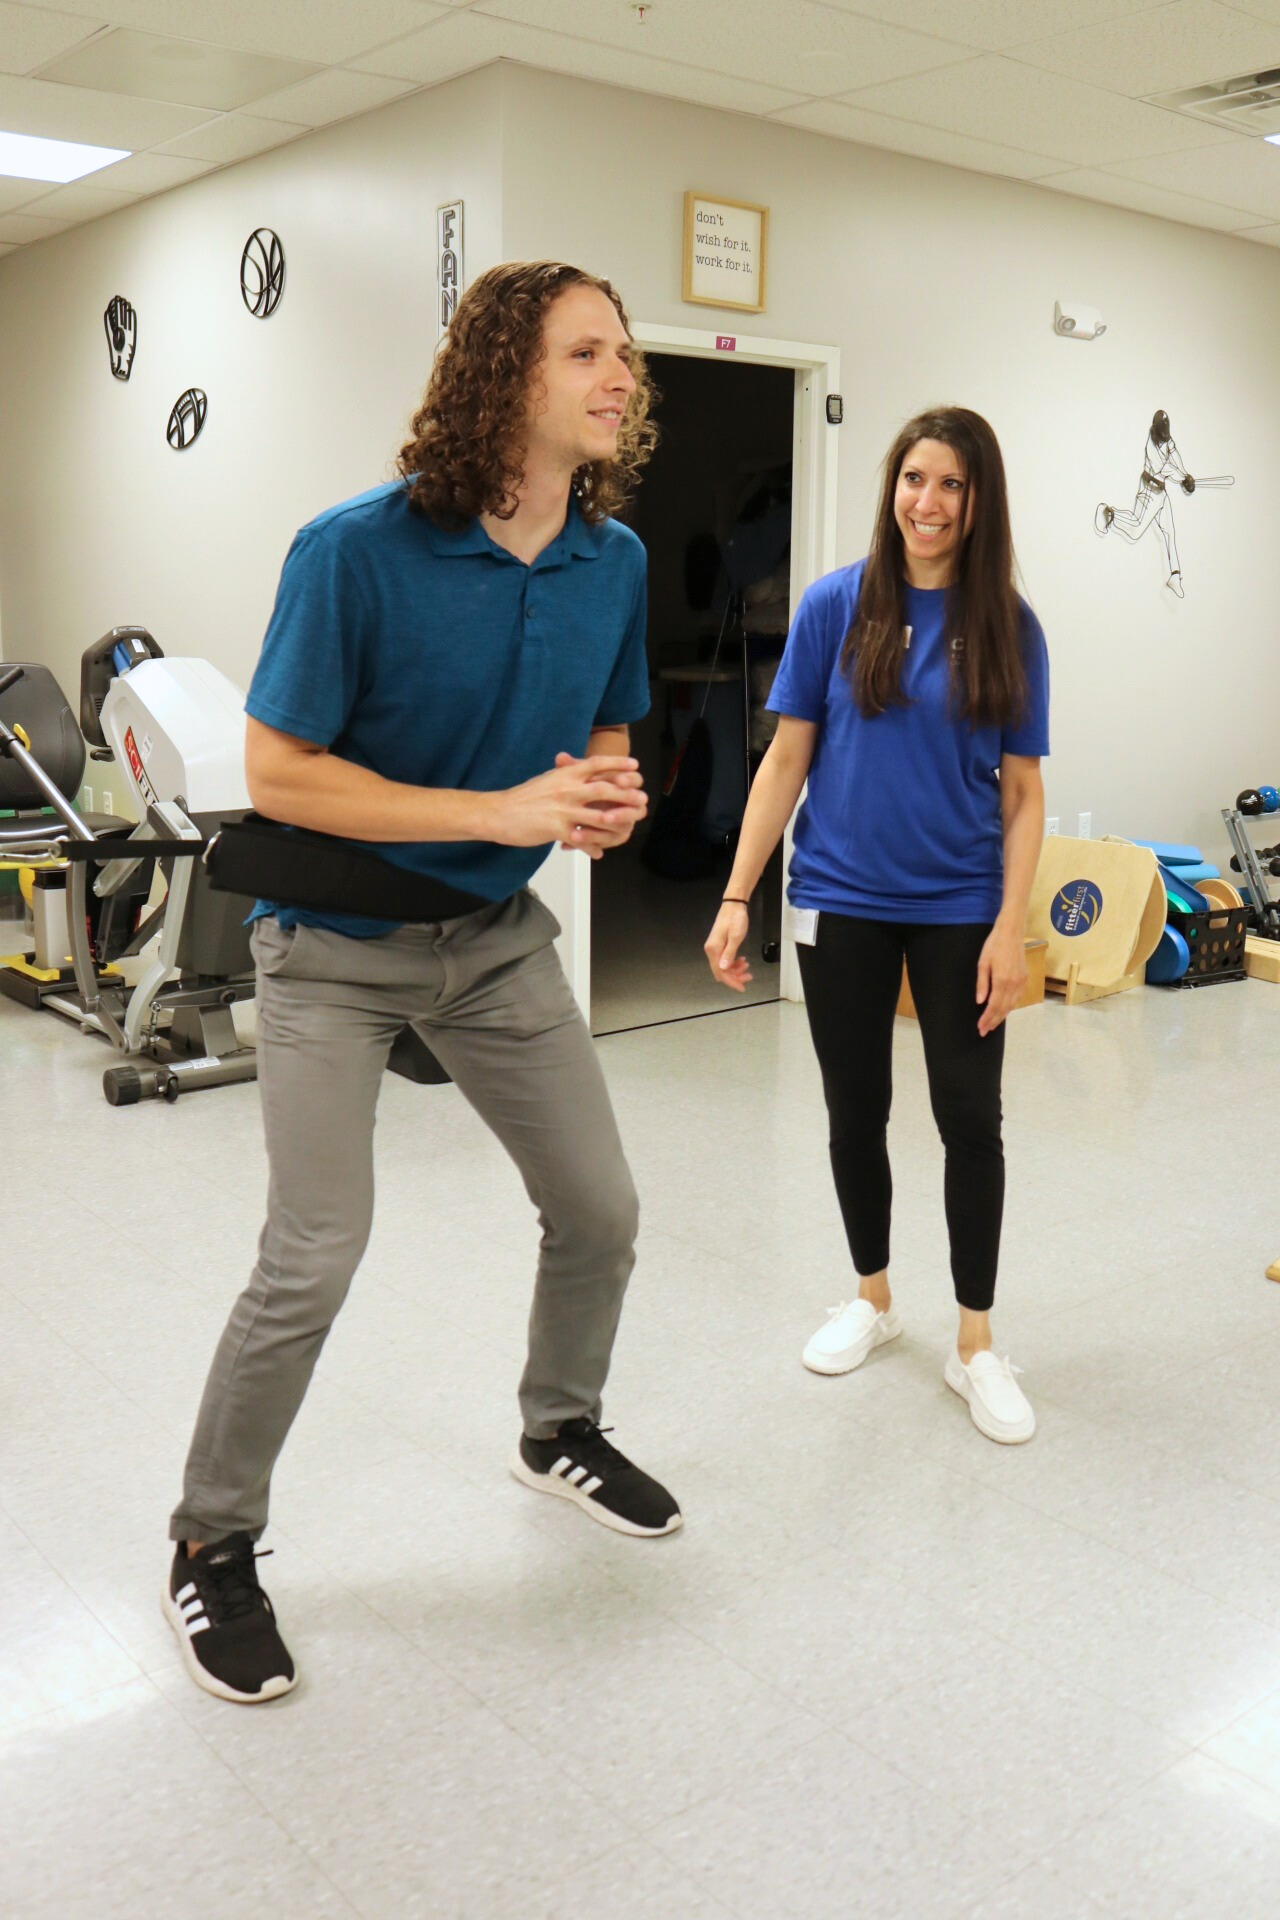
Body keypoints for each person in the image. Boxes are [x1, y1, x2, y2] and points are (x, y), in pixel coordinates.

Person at [164, 261, 682, 1707]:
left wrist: (598, 800)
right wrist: (497, 813)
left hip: (495, 941)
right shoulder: (355, 552)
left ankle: (558, 1425)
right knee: (315, 1250)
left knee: (601, 1209)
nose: (621, 375)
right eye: (589, 351)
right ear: (505, 373)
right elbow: (277, 776)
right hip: (331, 949)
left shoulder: (613, 560)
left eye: (625, 355)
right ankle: (212, 1541)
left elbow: (594, 747)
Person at [703, 407, 1048, 1445]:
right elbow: (784, 760)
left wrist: (1008, 928)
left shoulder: (1007, 624)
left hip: (957, 911)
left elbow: (1024, 795)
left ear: (976, 501)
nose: (926, 503)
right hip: (839, 901)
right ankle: (872, 1298)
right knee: (853, 1113)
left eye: (949, 484)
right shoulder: (831, 606)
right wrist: (736, 895)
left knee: (968, 1122)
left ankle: (975, 1345)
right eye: (912, 479)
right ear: (889, 488)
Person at [1094, 409, 1195, 597]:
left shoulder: (1166, 440)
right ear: (1155, 431)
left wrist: (1186, 473)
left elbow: (1175, 455)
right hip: (1150, 490)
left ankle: (1175, 575)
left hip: (1161, 493)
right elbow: (1165, 470)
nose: (1165, 439)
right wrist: (1182, 478)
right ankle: (1111, 514)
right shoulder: (1151, 446)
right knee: (1135, 530)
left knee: (1169, 532)